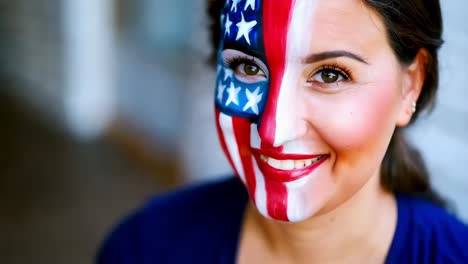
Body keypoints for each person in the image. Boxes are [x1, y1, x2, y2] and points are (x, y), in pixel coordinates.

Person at [97, 0, 468, 263]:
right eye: (246, 65)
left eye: (330, 74)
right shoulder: (144, 248)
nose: (275, 130)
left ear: (410, 85)